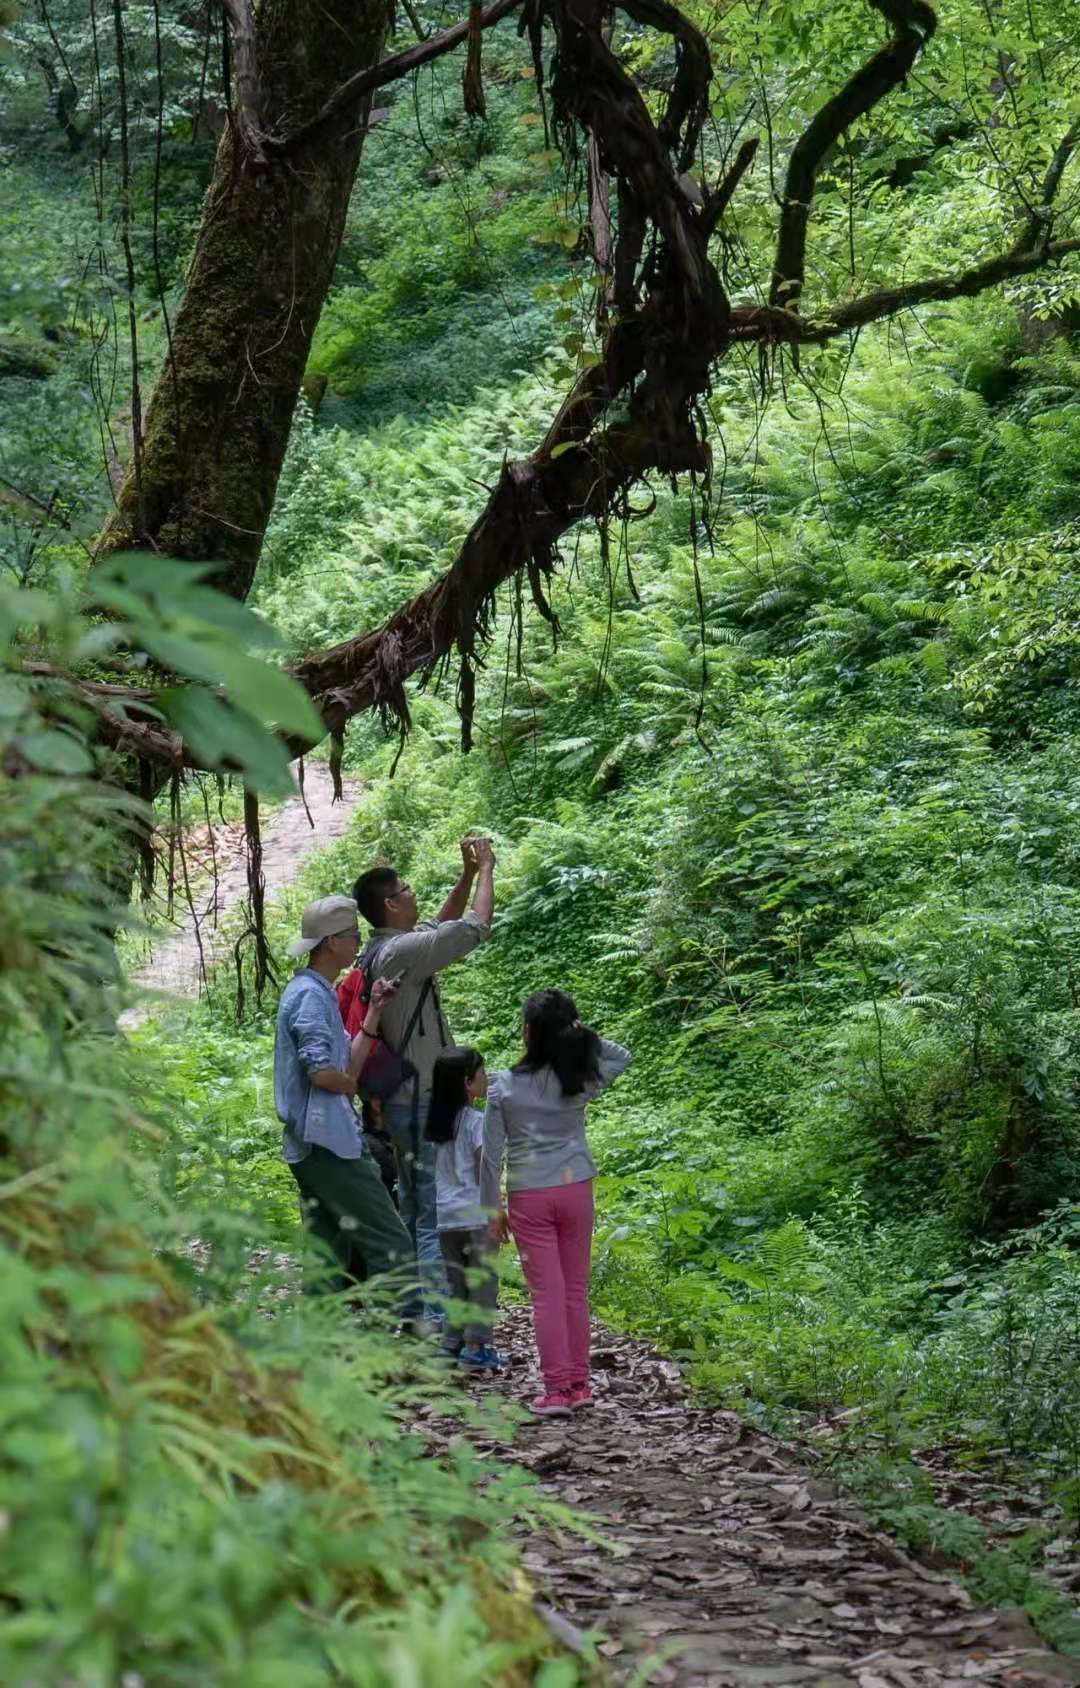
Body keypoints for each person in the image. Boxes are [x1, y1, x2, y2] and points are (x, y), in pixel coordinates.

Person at [350, 840, 495, 1318]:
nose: (413, 894)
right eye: (407, 889)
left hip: (399, 1102)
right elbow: (473, 928)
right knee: (432, 1212)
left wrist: (467, 874)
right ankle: (434, 1322)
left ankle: (413, 1313)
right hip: (419, 1101)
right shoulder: (399, 955)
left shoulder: (387, 950)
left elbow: (438, 924)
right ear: (391, 903)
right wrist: (489, 869)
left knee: (413, 1209)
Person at [481, 989, 630, 1418]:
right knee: (574, 1291)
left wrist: (492, 1209)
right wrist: (580, 1034)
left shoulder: (503, 1086)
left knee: (546, 1294)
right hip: (576, 1188)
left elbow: (491, 1156)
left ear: (528, 1033)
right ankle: (579, 1384)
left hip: (530, 1195)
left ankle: (556, 1390)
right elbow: (623, 1055)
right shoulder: (579, 1080)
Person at [274, 893, 417, 1317]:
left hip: (311, 1143)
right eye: (353, 935)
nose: (358, 941)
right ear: (332, 942)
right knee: (390, 1243)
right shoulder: (311, 997)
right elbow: (323, 1072)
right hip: (329, 1142)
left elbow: (343, 1067)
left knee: (327, 1256)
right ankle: (398, 1348)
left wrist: (373, 1012)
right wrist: (350, 1085)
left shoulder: (313, 990)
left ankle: (320, 1355)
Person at [426, 1048, 501, 1372]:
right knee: (482, 1282)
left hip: (446, 1218)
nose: (486, 1077)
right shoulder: (476, 1122)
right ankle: (476, 1347)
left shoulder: (436, 1126)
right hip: (475, 1215)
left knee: (455, 1283)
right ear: (467, 1082)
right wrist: (497, 1208)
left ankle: (450, 1343)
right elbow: (485, 1170)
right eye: (481, 1072)